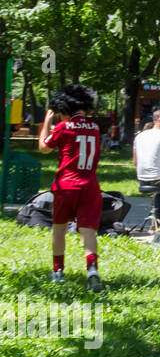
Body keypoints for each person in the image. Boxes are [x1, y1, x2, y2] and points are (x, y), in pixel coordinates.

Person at [39, 84, 104, 291]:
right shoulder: (95, 128)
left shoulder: (63, 127)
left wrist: (48, 122)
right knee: (88, 231)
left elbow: (44, 148)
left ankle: (58, 271)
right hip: (90, 185)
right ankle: (92, 268)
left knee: (59, 229)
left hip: (66, 184)